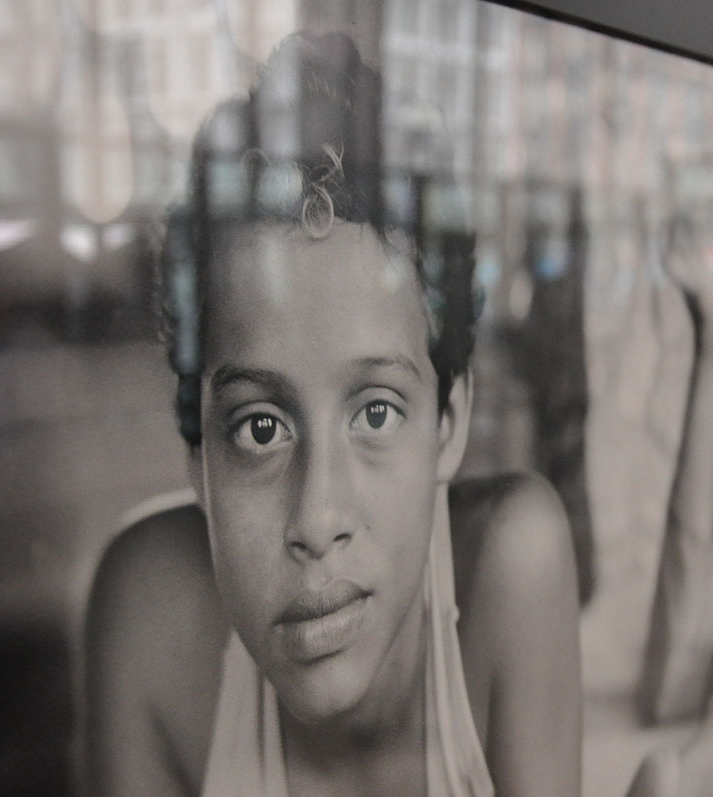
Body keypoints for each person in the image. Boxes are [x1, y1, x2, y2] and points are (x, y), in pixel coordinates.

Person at [84, 31, 581, 796]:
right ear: (198, 459)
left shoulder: (512, 566)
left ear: (449, 423)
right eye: (260, 428)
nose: (317, 518)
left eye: (376, 413)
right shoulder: (150, 618)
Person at [626, 212, 713, 797]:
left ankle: (693, 774)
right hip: (706, 605)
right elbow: (692, 517)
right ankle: (692, 775)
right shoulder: (705, 361)